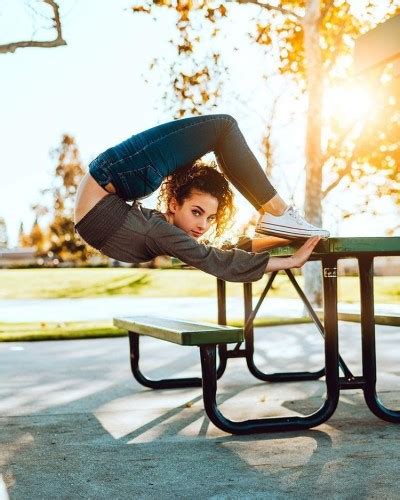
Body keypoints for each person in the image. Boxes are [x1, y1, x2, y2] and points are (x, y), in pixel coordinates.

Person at [74, 114, 328, 282]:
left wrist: (281, 245)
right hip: (114, 179)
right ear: (174, 204)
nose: (203, 226)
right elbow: (220, 259)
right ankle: (277, 211)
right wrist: (290, 260)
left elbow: (220, 255)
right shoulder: (164, 233)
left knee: (223, 129)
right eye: (197, 212)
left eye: (209, 217)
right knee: (222, 131)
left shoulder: (166, 235)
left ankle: (277, 215)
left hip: (112, 178)